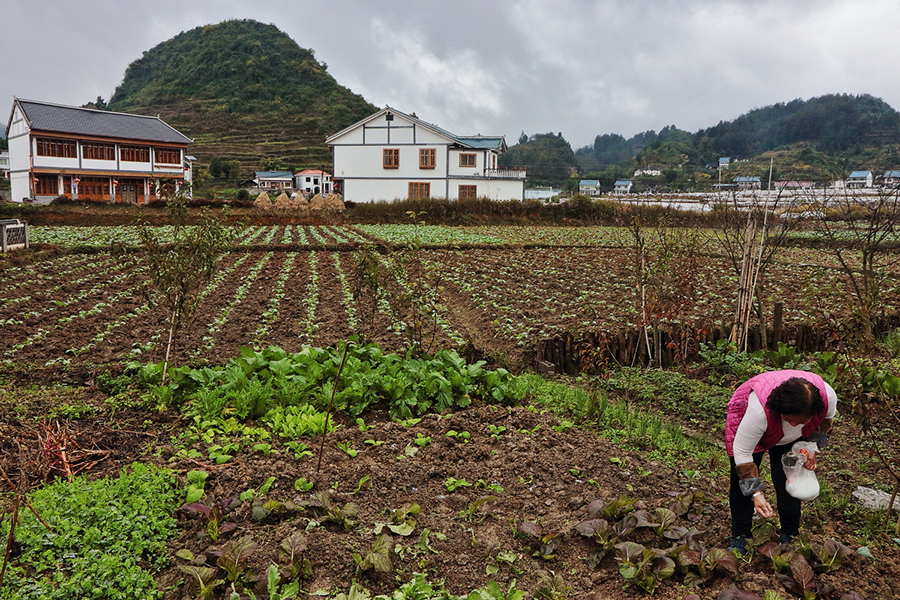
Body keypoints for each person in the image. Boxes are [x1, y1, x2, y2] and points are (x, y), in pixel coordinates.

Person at [724, 369, 836, 555]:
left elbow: (825, 423)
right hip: (749, 426)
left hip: (789, 435)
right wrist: (756, 493)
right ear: (780, 411)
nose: (794, 425)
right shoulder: (757, 413)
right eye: (789, 420)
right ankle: (740, 537)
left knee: (788, 478)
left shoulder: (828, 398)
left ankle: (790, 533)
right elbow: (742, 452)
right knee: (740, 483)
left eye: (800, 421)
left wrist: (811, 449)